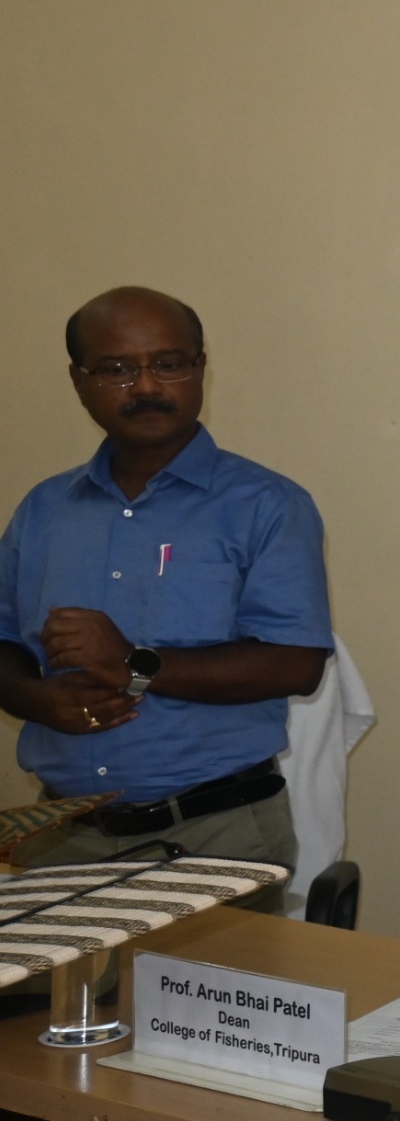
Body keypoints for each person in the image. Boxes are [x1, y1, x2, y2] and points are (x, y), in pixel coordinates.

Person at [0, 288, 331, 897]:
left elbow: (296, 662)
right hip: (60, 839)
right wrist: (31, 697)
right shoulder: (44, 510)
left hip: (215, 837)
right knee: (56, 998)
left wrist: (131, 665)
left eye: (170, 363)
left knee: (196, 997)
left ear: (201, 369)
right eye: (118, 369)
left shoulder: (267, 505)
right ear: (79, 381)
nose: (148, 385)